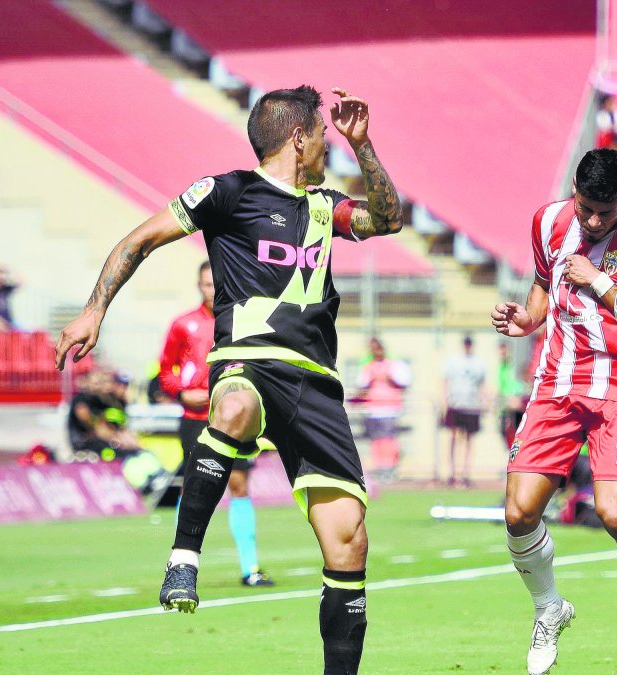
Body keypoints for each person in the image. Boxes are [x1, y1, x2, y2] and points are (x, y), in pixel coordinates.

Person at [54, 85, 402, 674]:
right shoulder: (227, 191)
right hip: (248, 358)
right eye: (322, 133)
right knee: (235, 408)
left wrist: (364, 147)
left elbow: (389, 220)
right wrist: (94, 309)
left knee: (349, 542)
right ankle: (184, 555)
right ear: (299, 137)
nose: (326, 144)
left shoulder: (325, 206)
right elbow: (140, 239)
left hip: (316, 385)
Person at [490, 148, 617, 675]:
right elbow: (541, 284)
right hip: (558, 377)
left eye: (607, 210)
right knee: (518, 512)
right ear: (574, 193)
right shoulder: (548, 220)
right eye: (586, 208)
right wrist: (526, 319)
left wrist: (598, 281)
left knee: (615, 513)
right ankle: (548, 609)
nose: (595, 220)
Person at [159, 261, 272, 587]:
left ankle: (250, 568)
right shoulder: (183, 325)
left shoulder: (243, 321)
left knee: (239, 486)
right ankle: (180, 563)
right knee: (194, 484)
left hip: (237, 417)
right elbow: (166, 372)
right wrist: (182, 393)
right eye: (206, 284)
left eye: (216, 283)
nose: (211, 290)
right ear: (199, 286)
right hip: (196, 418)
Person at [355, 336, 410, 482]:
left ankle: (390, 467)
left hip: (390, 408)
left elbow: (404, 381)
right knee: (377, 440)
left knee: (389, 440)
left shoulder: (393, 365)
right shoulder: (368, 367)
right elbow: (360, 384)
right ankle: (380, 467)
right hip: (373, 409)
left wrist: (390, 377)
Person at [441, 335, 487, 487]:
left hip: (472, 405)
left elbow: (482, 384)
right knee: (454, 437)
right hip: (456, 403)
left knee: (468, 439)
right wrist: (444, 400)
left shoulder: (478, 363)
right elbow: (445, 381)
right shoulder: (454, 361)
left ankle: (466, 472)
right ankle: (453, 472)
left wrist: (484, 402)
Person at [496, 342, 528, 447]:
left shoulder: (513, 364)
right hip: (505, 402)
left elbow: (519, 381)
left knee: (516, 430)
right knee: (504, 430)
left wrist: (516, 397)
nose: (502, 353)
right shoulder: (501, 366)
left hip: (516, 400)